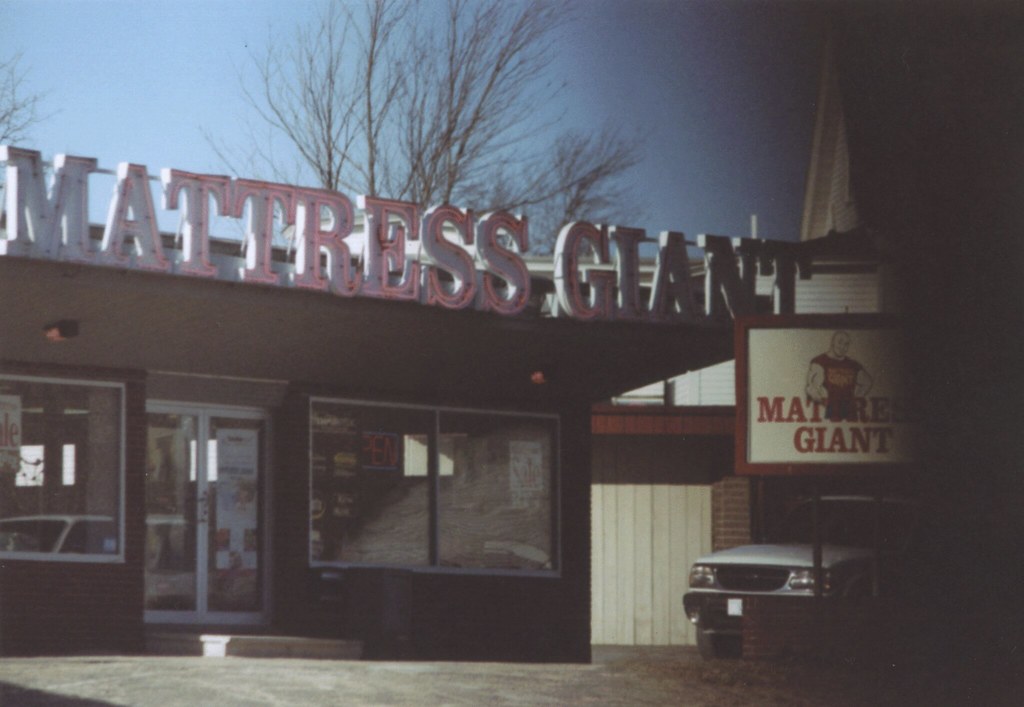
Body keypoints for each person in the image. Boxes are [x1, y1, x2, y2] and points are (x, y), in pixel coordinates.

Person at [805, 330, 873, 422]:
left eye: (846, 344)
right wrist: (823, 400)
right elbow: (811, 387)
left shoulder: (852, 364)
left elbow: (867, 382)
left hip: (850, 412)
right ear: (833, 342)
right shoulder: (820, 362)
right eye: (840, 342)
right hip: (831, 411)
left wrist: (856, 398)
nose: (842, 347)